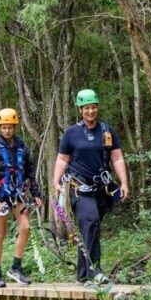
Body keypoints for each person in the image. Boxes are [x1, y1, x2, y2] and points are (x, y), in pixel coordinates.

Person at [52, 89, 129, 285]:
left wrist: (124, 182)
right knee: (91, 220)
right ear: (80, 110)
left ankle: (82, 276)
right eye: (86, 108)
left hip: (100, 189)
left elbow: (117, 158)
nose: (91, 111)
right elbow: (62, 159)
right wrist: (56, 181)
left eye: (93, 107)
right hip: (78, 187)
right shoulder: (71, 133)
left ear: (97, 108)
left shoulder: (107, 131)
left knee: (90, 228)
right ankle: (96, 270)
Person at [0, 108, 42, 288]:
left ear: (15, 127)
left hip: (17, 195)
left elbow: (30, 171)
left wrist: (36, 194)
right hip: (0, 196)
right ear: (0, 127)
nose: (7, 130)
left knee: (26, 227)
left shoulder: (22, 147)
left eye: (10, 127)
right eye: (4, 127)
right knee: (0, 233)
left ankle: (15, 267)